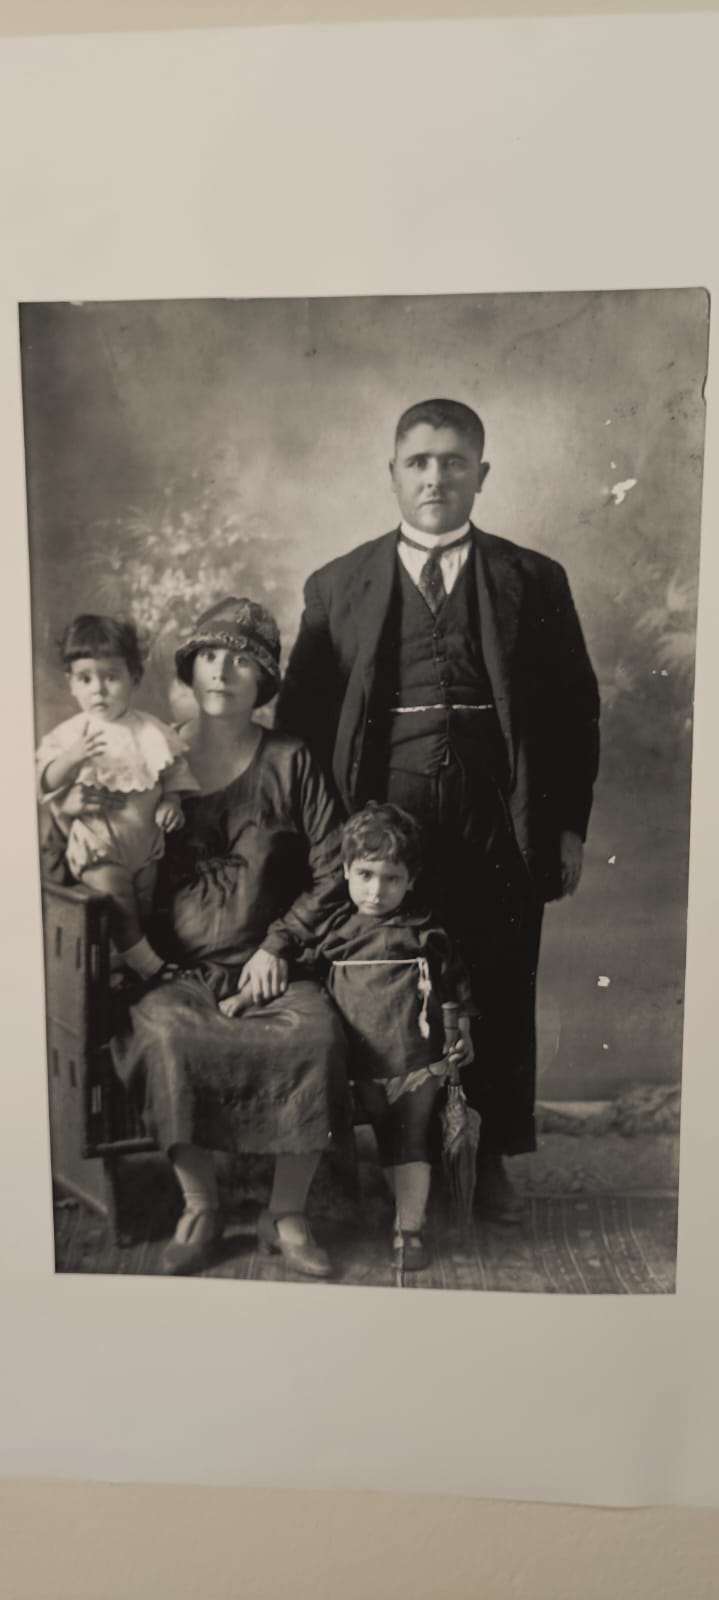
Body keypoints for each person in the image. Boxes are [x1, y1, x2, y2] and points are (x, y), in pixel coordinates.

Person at [277, 398, 600, 1223]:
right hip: (383, 814)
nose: (434, 477)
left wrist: (565, 825)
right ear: (392, 474)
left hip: (500, 809)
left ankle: (488, 1157)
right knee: (378, 985)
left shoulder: (533, 578)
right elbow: (302, 723)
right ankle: (363, 1160)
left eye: (453, 462)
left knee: (496, 979)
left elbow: (573, 711)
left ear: (479, 475)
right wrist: (320, 844)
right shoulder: (338, 584)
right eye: (418, 462)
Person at [110, 597, 351, 1278]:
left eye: (242, 661)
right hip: (176, 973)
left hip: (271, 968)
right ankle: (200, 1207)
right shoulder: (154, 754)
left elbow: (335, 867)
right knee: (167, 1036)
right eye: (210, 656)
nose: (222, 671)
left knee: (316, 1038)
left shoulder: (291, 760)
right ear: (190, 669)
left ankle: (287, 1213)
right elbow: (109, 844)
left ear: (264, 679)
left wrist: (278, 945)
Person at [311, 801, 473, 1271]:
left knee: (410, 1137)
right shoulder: (333, 931)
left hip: (415, 1056)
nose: (376, 891)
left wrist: (462, 1028)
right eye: (365, 875)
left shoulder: (425, 931)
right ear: (346, 870)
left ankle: (409, 1229)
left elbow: (455, 985)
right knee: (368, 1132)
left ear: (411, 880)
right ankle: (364, 1207)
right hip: (358, 1060)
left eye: (391, 879)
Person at [36, 614, 198, 984]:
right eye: (85, 679)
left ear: (134, 678)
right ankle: (150, 968)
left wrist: (171, 802)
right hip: (99, 846)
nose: (98, 690)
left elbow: (173, 772)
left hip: (145, 847)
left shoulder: (150, 731)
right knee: (121, 904)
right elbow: (45, 781)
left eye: (111, 677)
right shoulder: (73, 735)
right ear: (71, 684)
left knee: (140, 909)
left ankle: (120, 968)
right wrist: (70, 759)